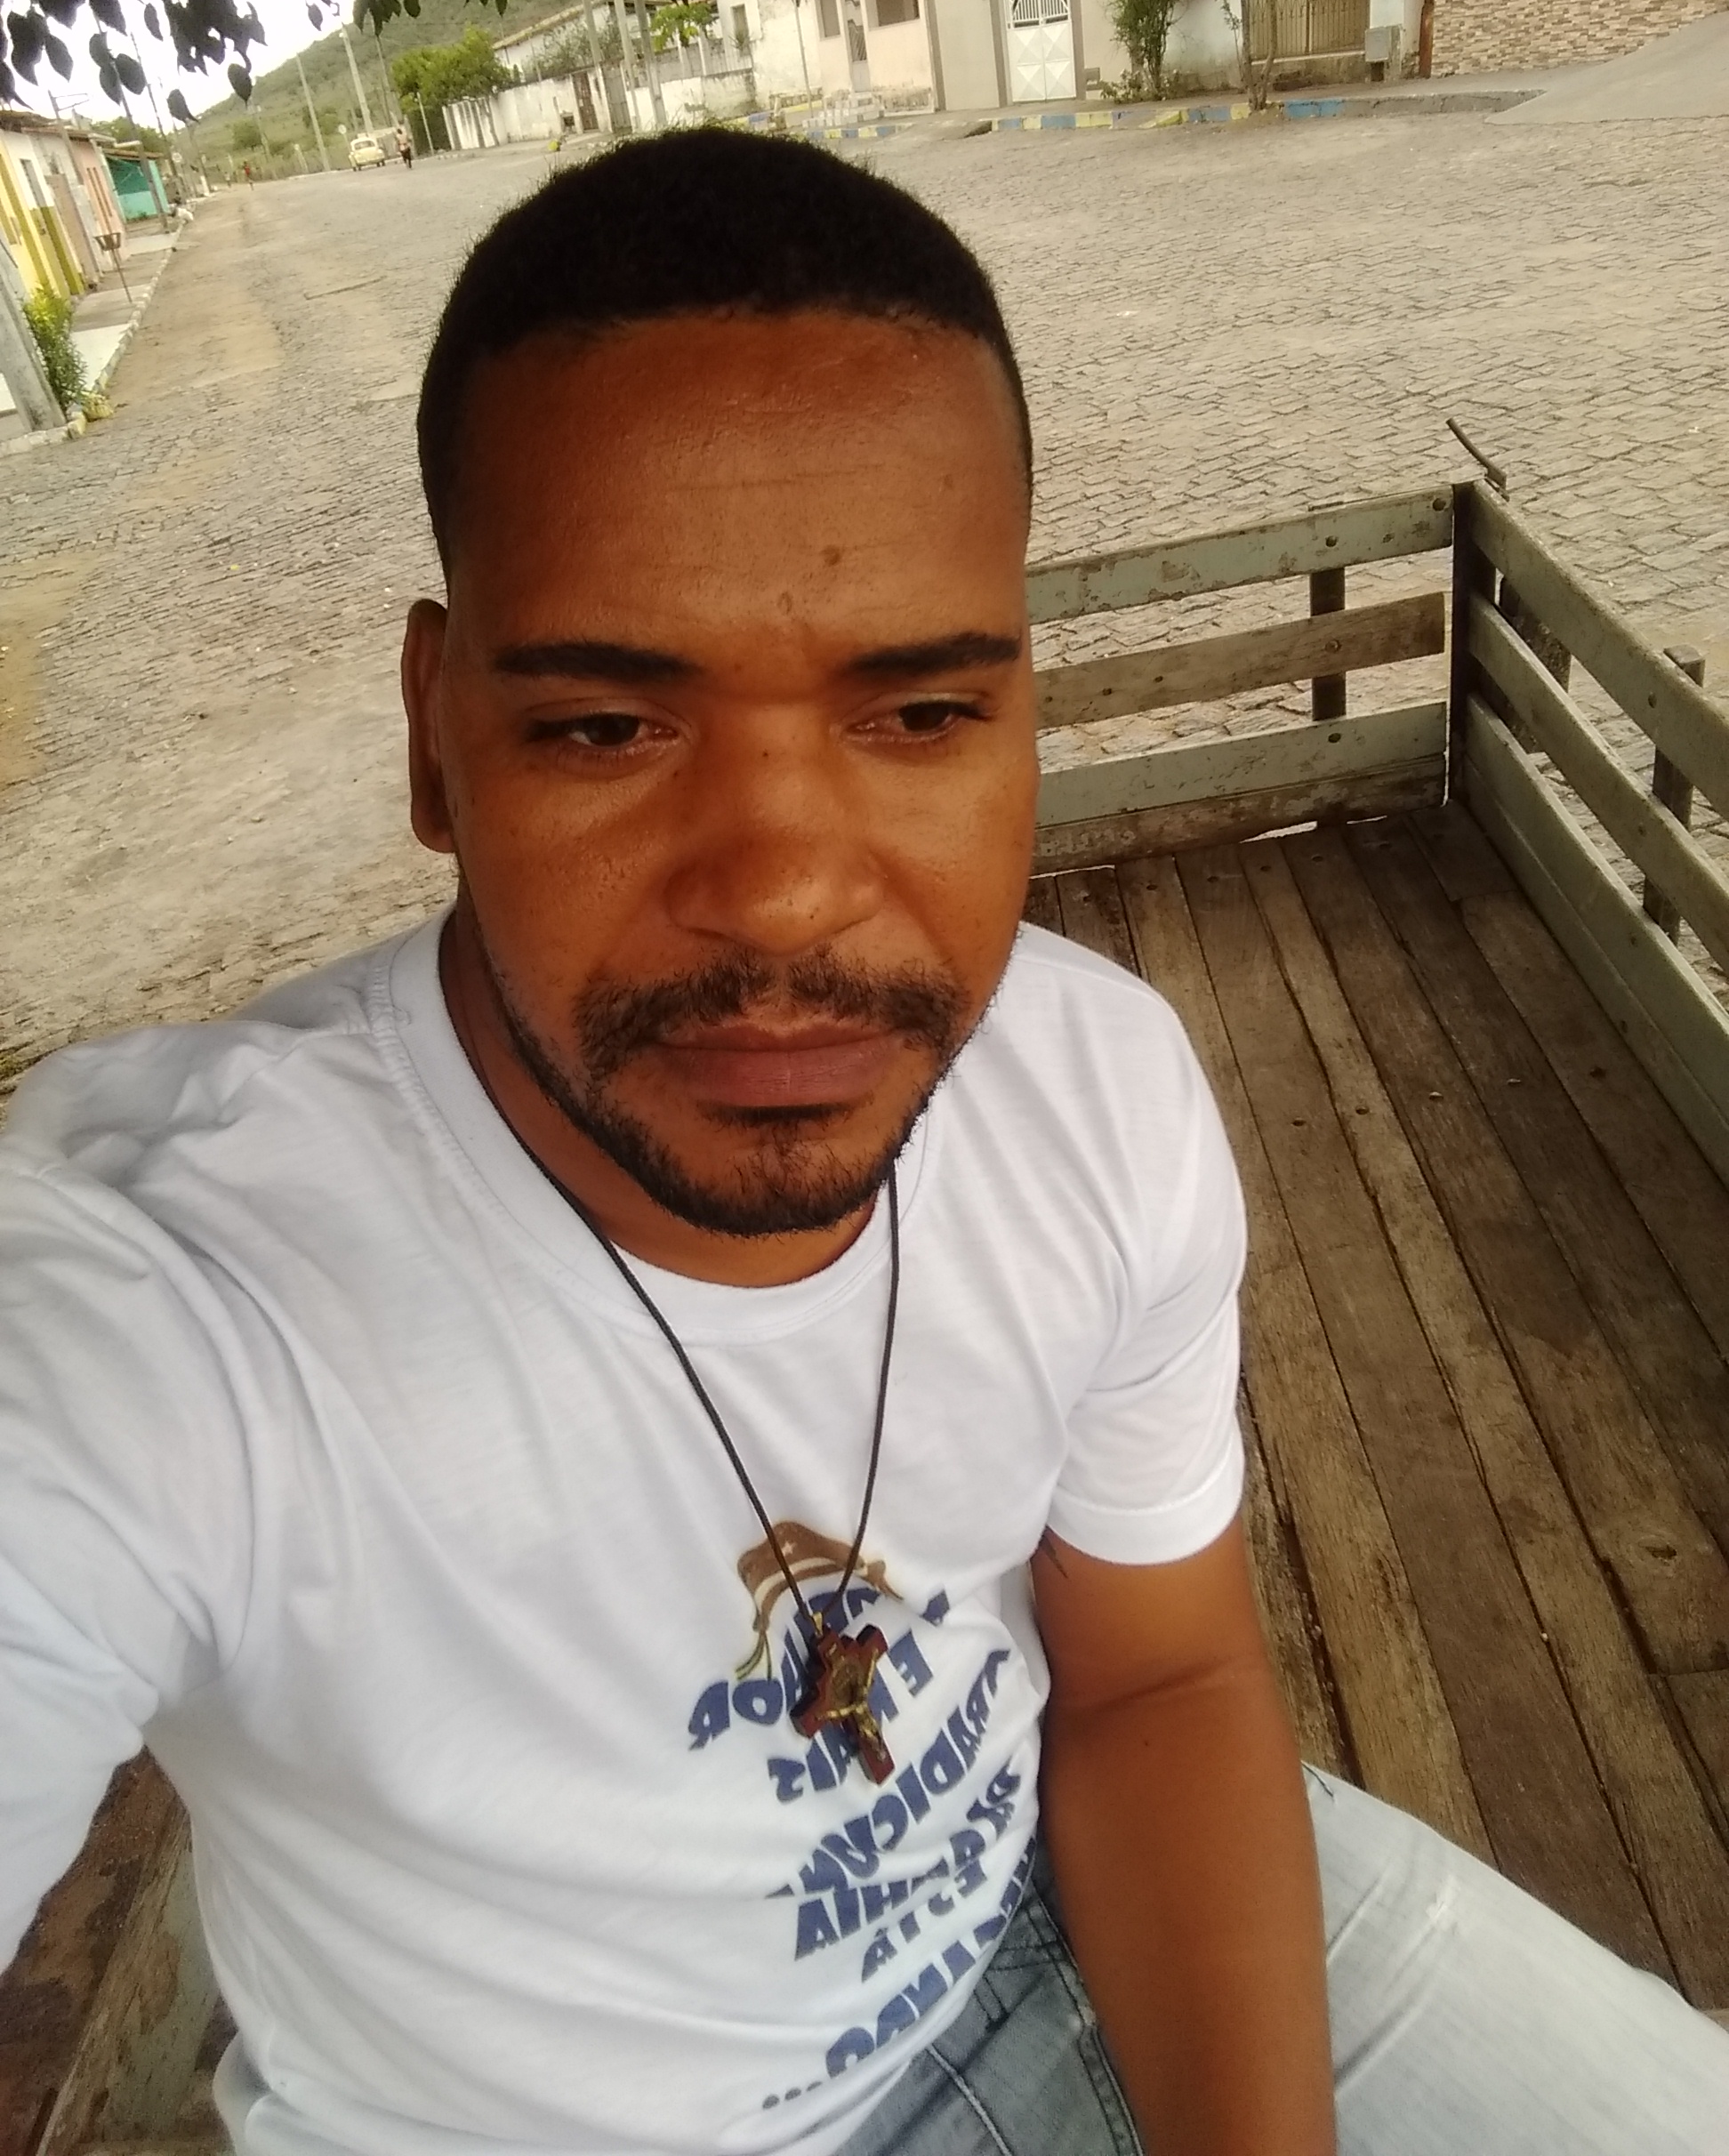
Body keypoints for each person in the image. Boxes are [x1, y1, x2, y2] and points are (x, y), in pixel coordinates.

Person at [1, 132, 1725, 2156]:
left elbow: (1158, 1681)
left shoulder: (1097, 1095)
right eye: (607, 727)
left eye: (916, 717)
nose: (787, 895)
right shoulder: (160, 1310)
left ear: (1024, 716)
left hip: (1065, 1890)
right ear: (433, 736)